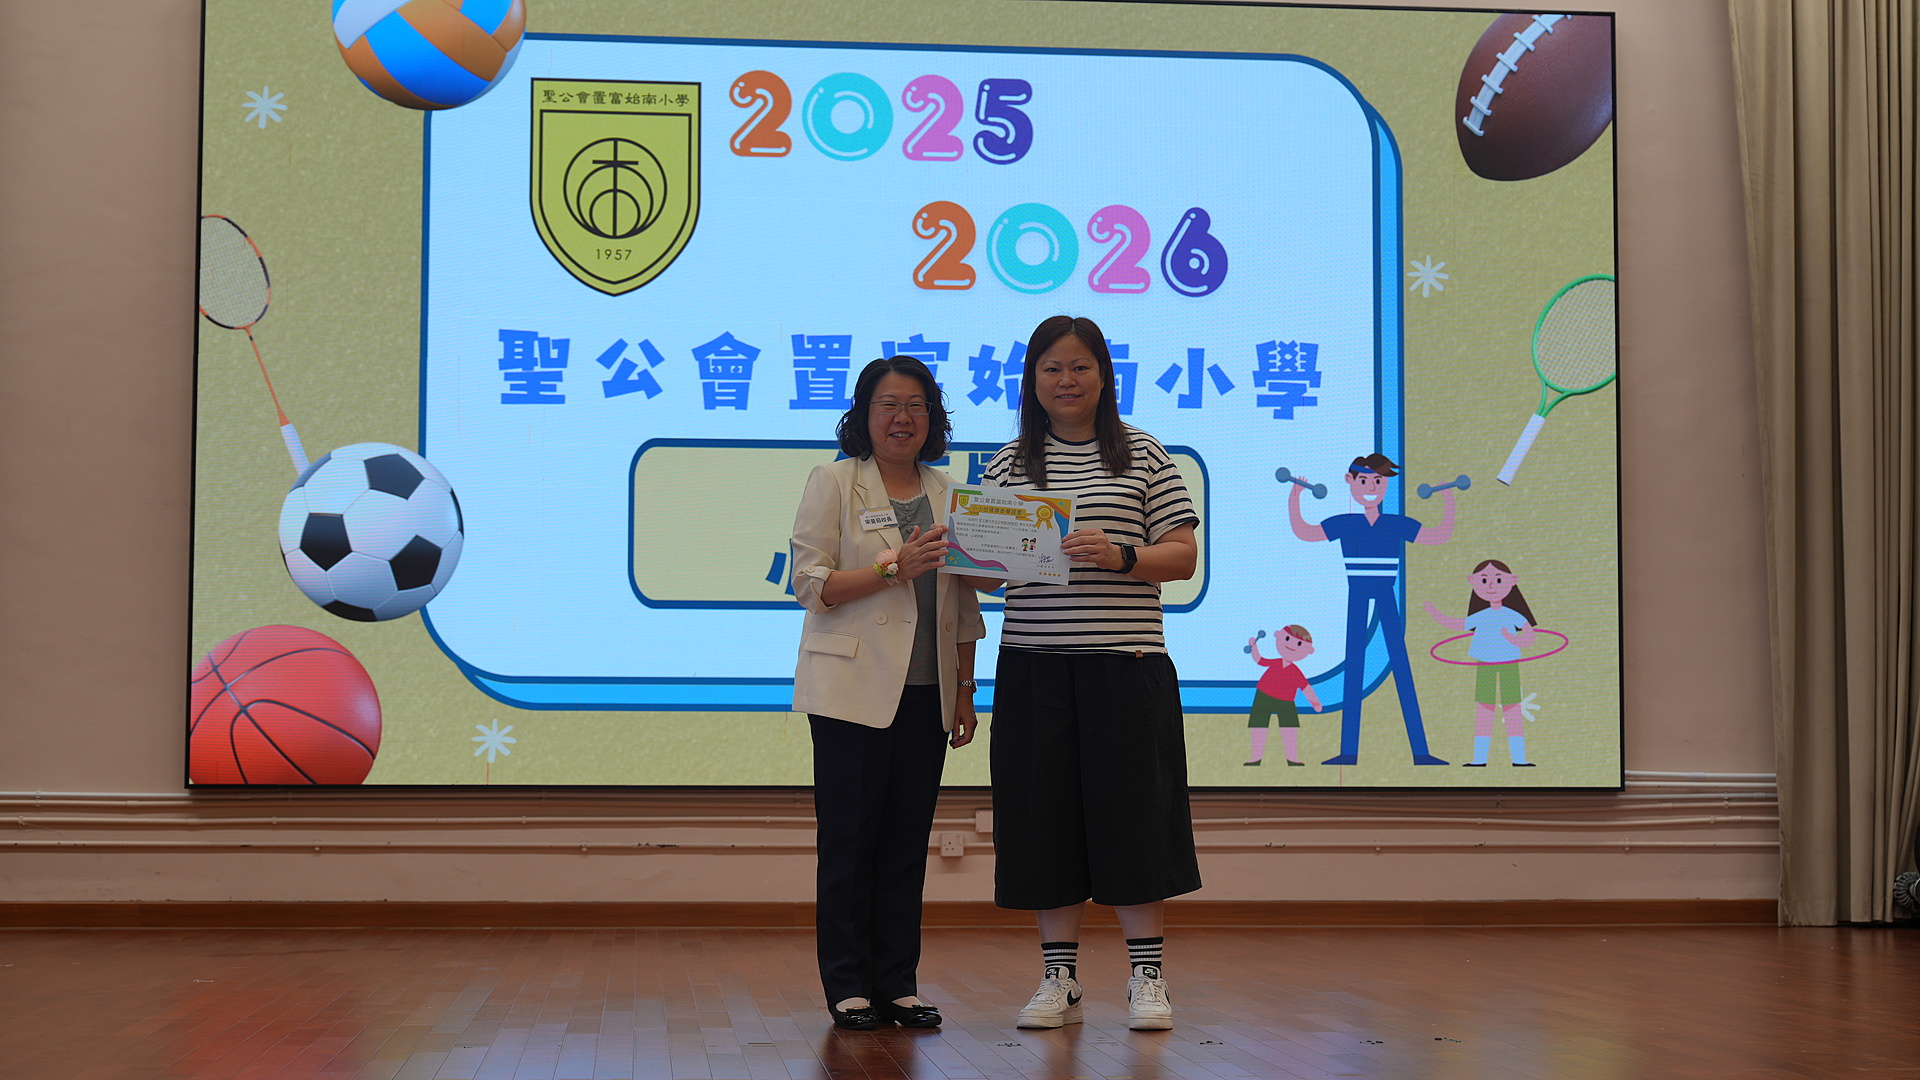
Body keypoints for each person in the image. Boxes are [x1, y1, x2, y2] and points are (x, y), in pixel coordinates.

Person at [978, 315, 1202, 1032]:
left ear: (1104, 375)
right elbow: (984, 576)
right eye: (1051, 368)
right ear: (1032, 381)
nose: (1066, 380)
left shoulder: (1144, 454)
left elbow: (1183, 557)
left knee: (1135, 821)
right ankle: (1059, 979)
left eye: (1079, 367)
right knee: (1043, 823)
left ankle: (1147, 977)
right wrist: (963, 553)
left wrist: (1121, 556)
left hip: (1125, 668)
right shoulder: (1008, 464)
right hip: (1033, 668)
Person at [789, 356, 986, 1030]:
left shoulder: (952, 494)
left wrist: (966, 690)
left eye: (915, 406)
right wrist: (889, 568)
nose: (902, 418)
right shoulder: (834, 482)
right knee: (850, 842)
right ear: (863, 415)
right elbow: (810, 585)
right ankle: (848, 985)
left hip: (929, 692)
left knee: (906, 843)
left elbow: (963, 603)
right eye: (888, 405)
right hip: (850, 690)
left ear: (933, 417)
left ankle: (898, 983)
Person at [1287, 453, 1456, 766]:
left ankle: (1421, 752)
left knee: (1402, 667)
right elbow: (1305, 531)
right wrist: (1295, 496)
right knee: (1354, 668)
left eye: (1378, 481)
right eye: (1363, 480)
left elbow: (1439, 534)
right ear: (1350, 481)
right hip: (1358, 595)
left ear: (1386, 484)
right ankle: (1348, 752)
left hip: (1385, 595)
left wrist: (1448, 499)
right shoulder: (1346, 523)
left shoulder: (1395, 524)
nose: (1371, 487)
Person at [1424, 559, 1538, 766]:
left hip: (1509, 666)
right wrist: (1434, 613)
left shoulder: (1512, 615)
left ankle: (1519, 759)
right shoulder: (1481, 616)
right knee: (1484, 710)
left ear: (1512, 581)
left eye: (1498, 579)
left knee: (1512, 709)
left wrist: (1513, 639)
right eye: (1484, 580)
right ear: (1473, 581)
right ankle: (1479, 759)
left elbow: (1529, 636)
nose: (1491, 585)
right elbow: (1457, 624)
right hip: (1485, 665)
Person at [1245, 626, 1324, 766]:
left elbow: (1306, 687)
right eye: (1287, 639)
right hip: (1264, 695)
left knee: (1289, 728)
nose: (1291, 645)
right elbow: (1259, 660)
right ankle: (1256, 758)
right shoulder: (1276, 663)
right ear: (1279, 636)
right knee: (1259, 725)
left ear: (1308, 651)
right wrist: (1254, 647)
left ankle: (1292, 758)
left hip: (1286, 701)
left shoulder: (1295, 671)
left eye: (1299, 644)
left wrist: (1315, 703)